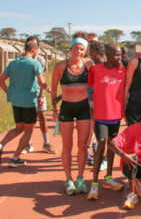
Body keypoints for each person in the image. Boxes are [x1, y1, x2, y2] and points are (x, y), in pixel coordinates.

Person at [51, 33, 93, 195]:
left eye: (82, 49)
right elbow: (54, 88)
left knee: (82, 145)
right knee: (67, 146)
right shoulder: (60, 66)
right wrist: (54, 109)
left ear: (85, 50)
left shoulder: (89, 65)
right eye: (76, 48)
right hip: (67, 108)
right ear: (70, 49)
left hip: (83, 108)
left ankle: (80, 178)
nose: (79, 51)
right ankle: (69, 179)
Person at [0, 40, 50, 166]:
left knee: (19, 128)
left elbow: (1, 81)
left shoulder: (13, 63)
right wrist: (47, 87)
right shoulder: (35, 63)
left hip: (16, 101)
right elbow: (41, 82)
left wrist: (10, 93)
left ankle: (1, 144)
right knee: (28, 130)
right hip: (28, 101)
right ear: (34, 50)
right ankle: (15, 158)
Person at [87, 45, 126, 200]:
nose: (119, 58)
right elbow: (89, 91)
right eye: (116, 55)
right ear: (108, 56)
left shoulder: (122, 70)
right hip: (101, 116)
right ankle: (94, 184)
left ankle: (108, 178)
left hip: (116, 115)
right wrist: (92, 111)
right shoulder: (95, 70)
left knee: (112, 145)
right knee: (101, 144)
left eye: (120, 55)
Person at [22, 36, 55, 154]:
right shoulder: (21, 59)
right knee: (27, 120)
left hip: (38, 92)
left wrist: (42, 95)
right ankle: (28, 144)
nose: (31, 47)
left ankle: (46, 143)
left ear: (37, 48)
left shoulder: (40, 60)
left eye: (34, 45)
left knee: (42, 117)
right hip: (26, 94)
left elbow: (43, 78)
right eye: (29, 45)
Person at [86, 41, 105, 167]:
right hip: (94, 102)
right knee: (96, 128)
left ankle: (102, 157)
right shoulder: (92, 67)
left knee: (103, 132)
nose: (89, 54)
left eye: (91, 51)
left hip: (104, 103)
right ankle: (97, 152)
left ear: (98, 52)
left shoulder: (106, 66)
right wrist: (90, 100)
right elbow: (90, 85)